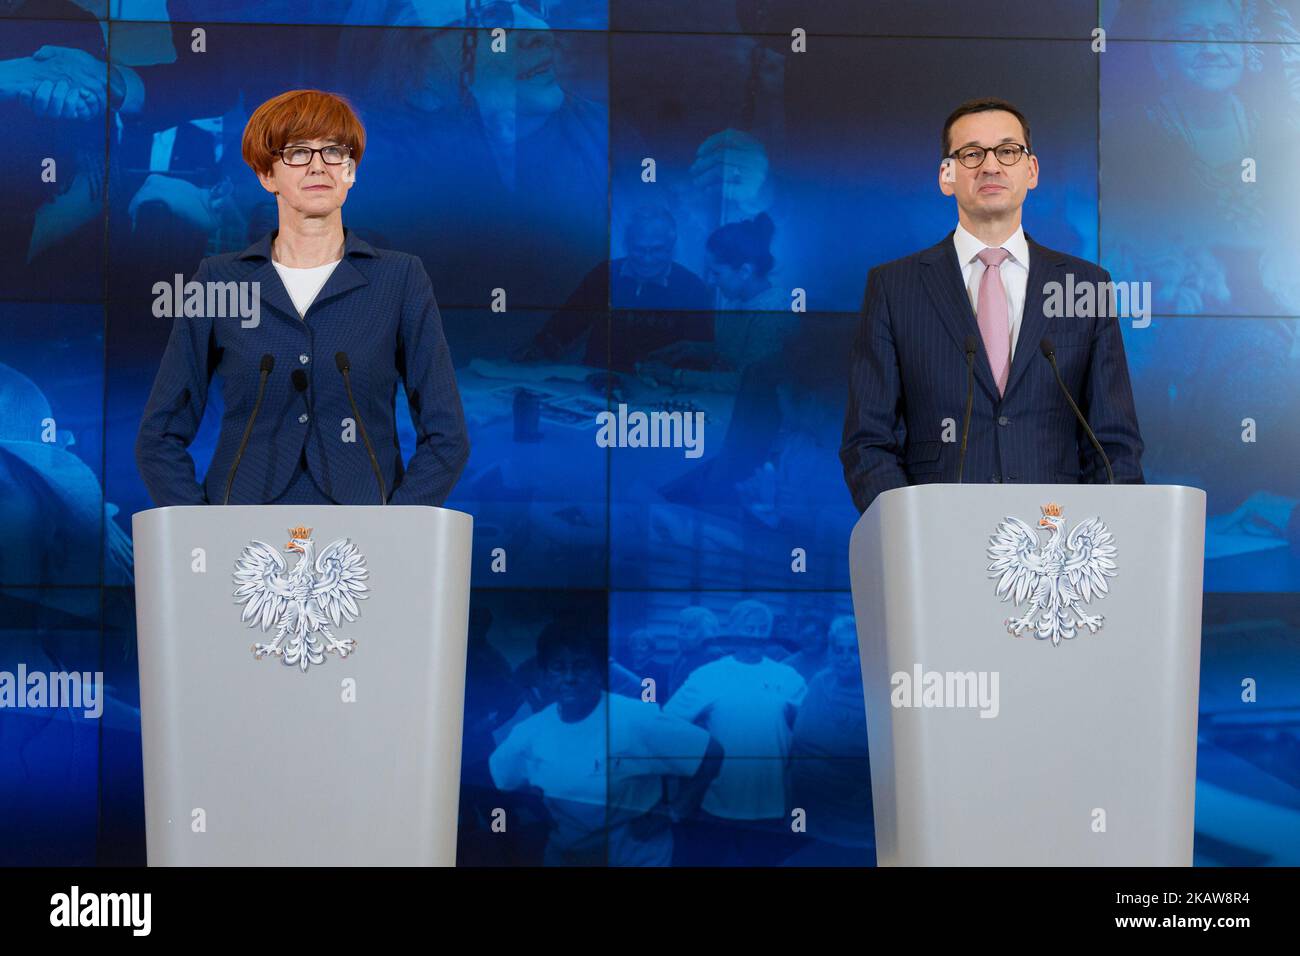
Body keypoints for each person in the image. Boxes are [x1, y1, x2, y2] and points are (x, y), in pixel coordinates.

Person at [135, 89, 469, 506]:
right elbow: (159, 435)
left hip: (365, 533)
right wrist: (202, 529)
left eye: (334, 151)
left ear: (351, 171)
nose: (318, 166)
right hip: (241, 533)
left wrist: (397, 527)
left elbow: (448, 437)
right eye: (297, 152)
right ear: (266, 175)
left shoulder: (399, 278)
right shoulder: (219, 281)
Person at [839, 98, 1144, 514]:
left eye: (1007, 151)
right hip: (936, 539)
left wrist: (1087, 542)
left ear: (1031, 170)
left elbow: (1115, 444)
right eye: (970, 154)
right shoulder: (894, 287)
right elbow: (867, 441)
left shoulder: (1085, 285)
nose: (990, 166)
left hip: (1055, 545)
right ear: (946, 176)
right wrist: (908, 532)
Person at [488, 618, 723, 866]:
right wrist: (543, 812)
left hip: (635, 857)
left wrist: (674, 811)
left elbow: (711, 753)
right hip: (567, 856)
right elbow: (501, 780)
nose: (569, 677)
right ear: (545, 675)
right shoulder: (528, 733)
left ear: (600, 672)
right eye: (558, 667)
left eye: (582, 666)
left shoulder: (638, 719)